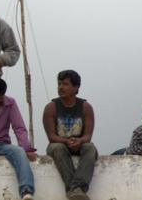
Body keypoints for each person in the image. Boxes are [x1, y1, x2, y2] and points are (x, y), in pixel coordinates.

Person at [43, 70, 97, 200]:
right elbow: (51, 137)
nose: (61, 87)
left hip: (79, 144)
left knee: (90, 148)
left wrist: (79, 141)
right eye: (59, 84)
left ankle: (78, 187)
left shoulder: (86, 107)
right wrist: (66, 141)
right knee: (57, 148)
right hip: (59, 144)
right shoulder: (51, 107)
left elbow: (88, 136)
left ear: (76, 87)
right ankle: (74, 190)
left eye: (65, 84)